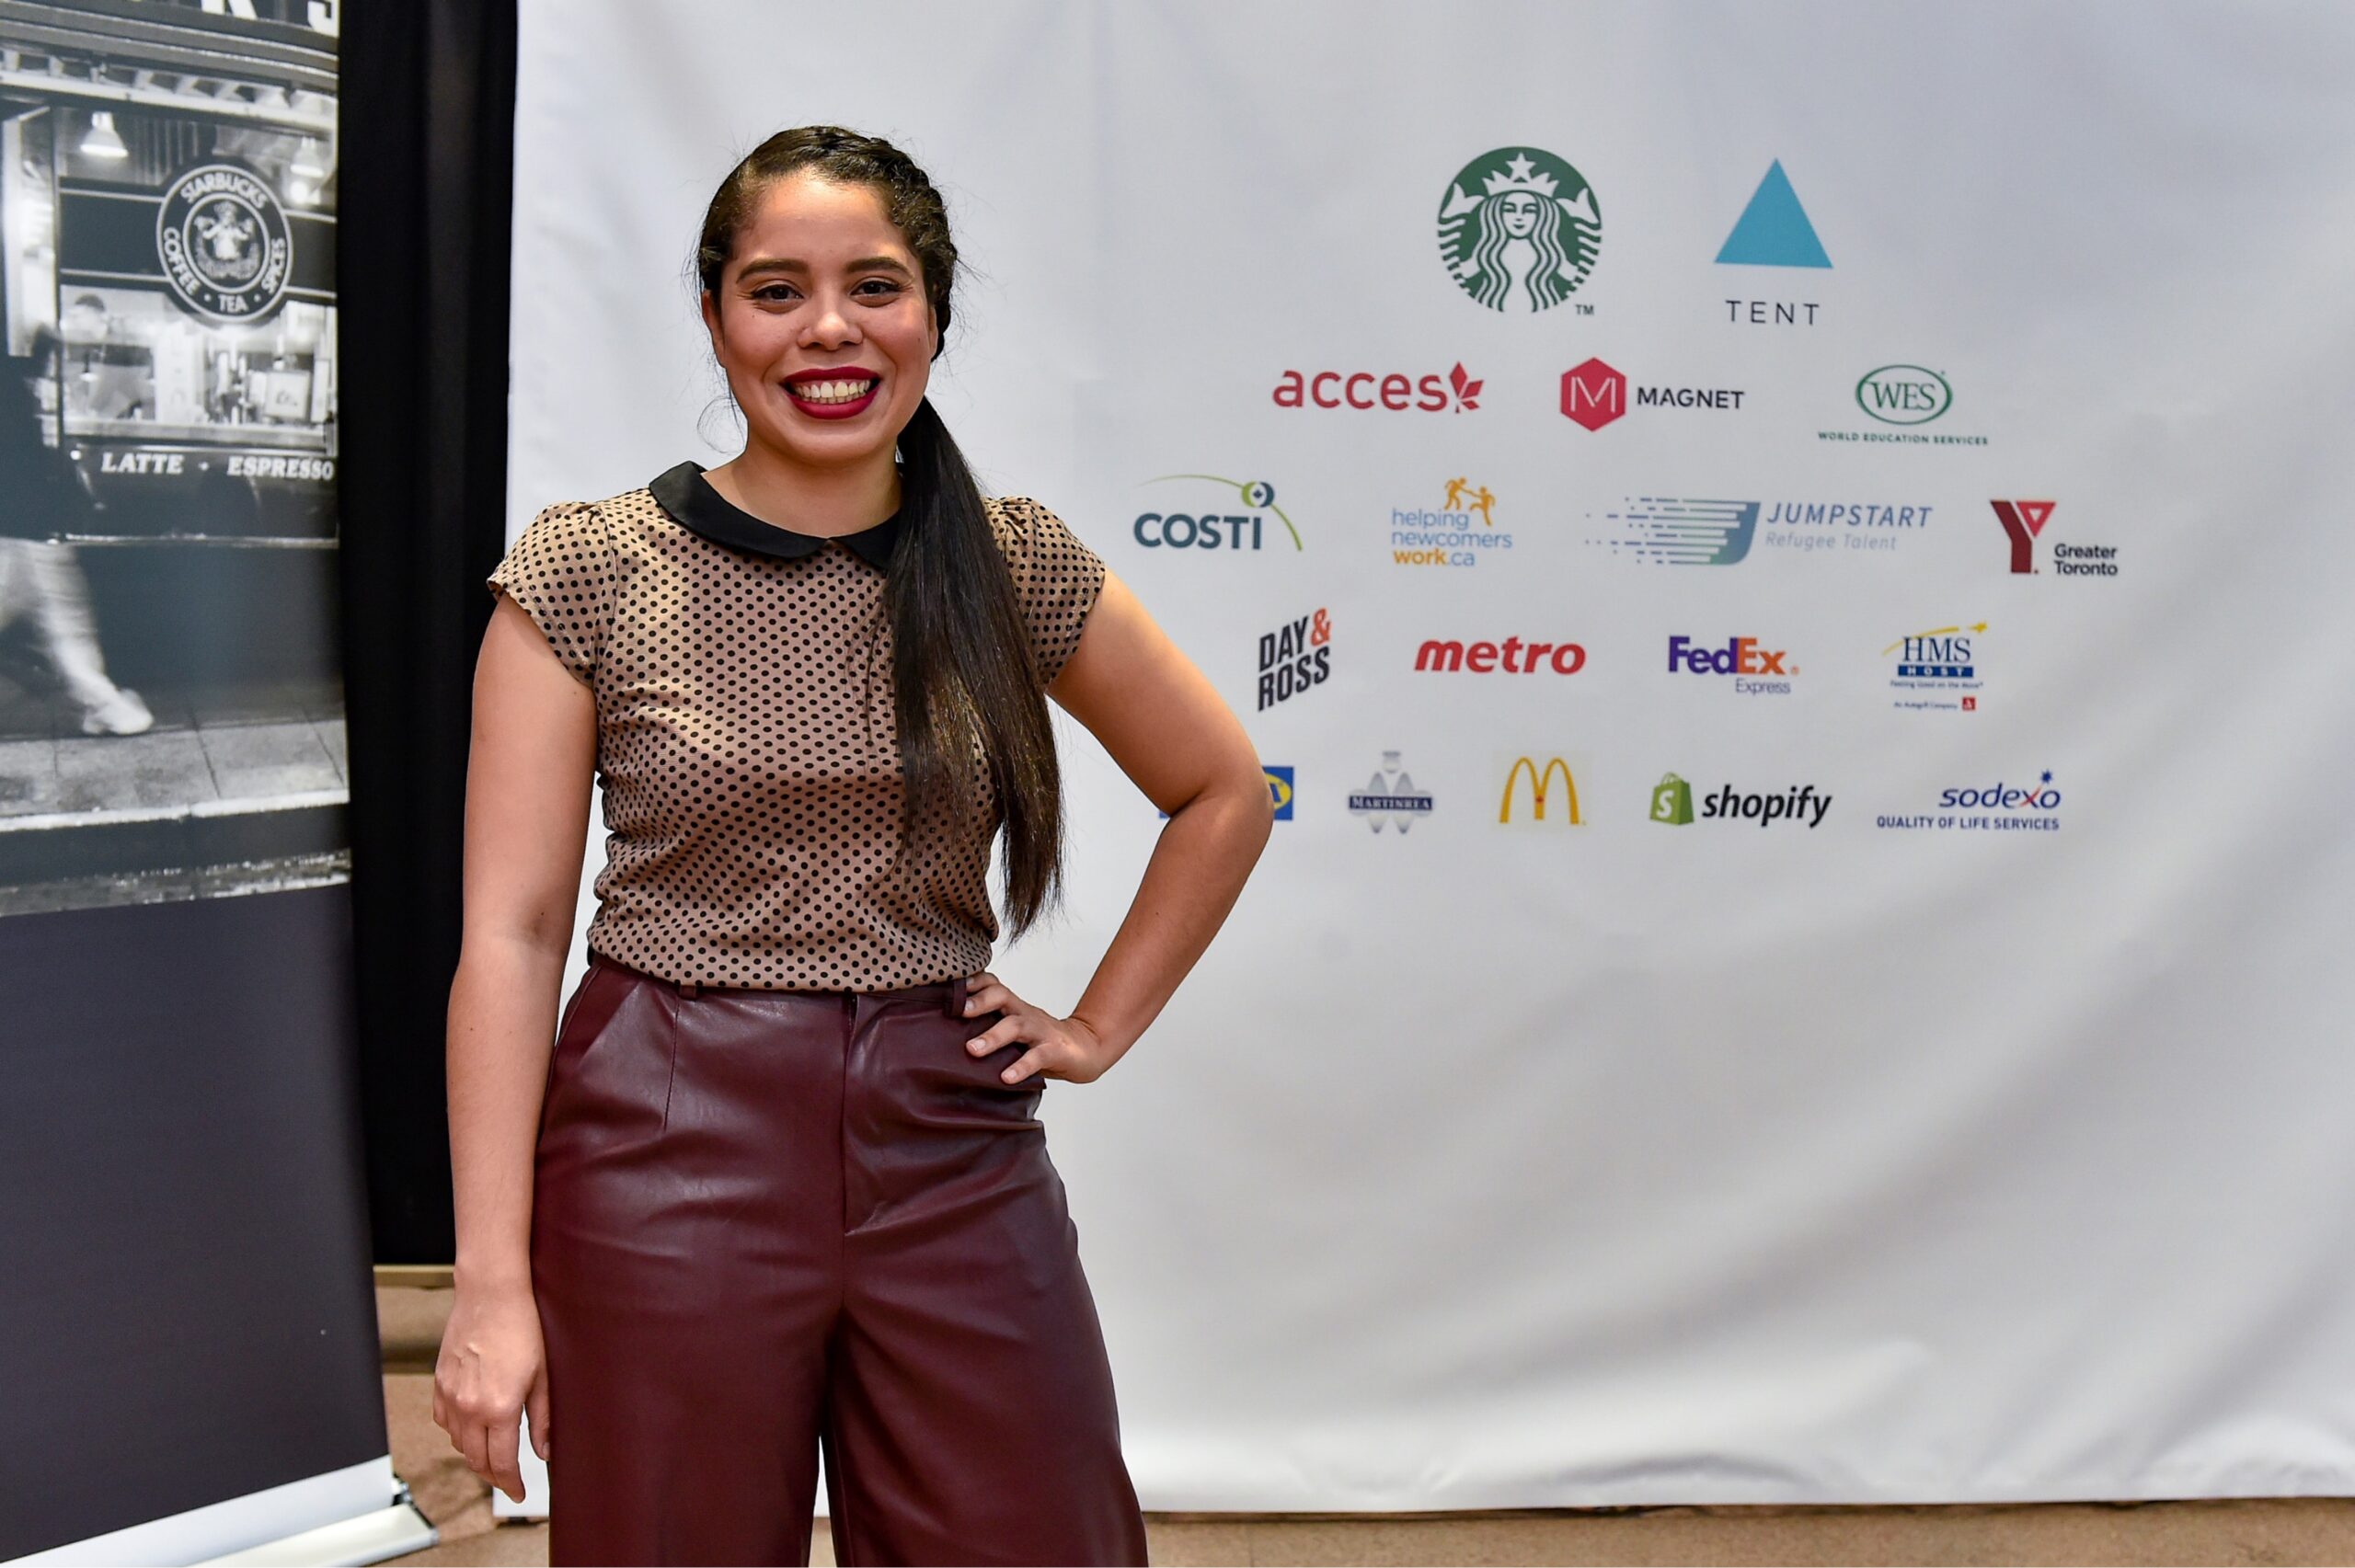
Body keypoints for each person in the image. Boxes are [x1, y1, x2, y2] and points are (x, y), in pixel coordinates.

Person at [435, 126, 1272, 1566]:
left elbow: (1224, 791)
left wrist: (1093, 1029)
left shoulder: (1012, 563)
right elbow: (509, 940)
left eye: (875, 286)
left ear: (934, 315)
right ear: (712, 318)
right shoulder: (585, 569)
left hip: (947, 1139)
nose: (830, 330)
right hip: (660, 1135)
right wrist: (490, 1284)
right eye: (777, 290)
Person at [0, 348, 153, 735]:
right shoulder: (15, 389)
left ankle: (106, 705)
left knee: (60, 617)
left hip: (20, 529)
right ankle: (108, 706)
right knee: (64, 620)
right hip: (27, 529)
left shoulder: (15, 383)